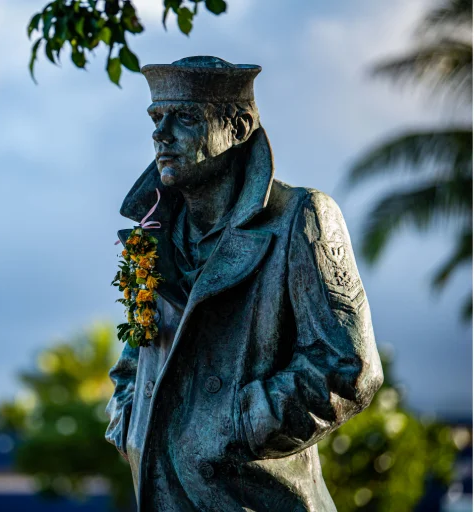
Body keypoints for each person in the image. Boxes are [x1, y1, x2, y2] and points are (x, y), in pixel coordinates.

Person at [105, 56, 383, 511]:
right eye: (157, 118)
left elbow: (348, 366)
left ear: (236, 127)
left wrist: (234, 423)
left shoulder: (301, 217)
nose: (161, 133)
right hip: (163, 494)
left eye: (185, 117)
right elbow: (137, 358)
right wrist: (129, 425)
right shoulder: (151, 235)